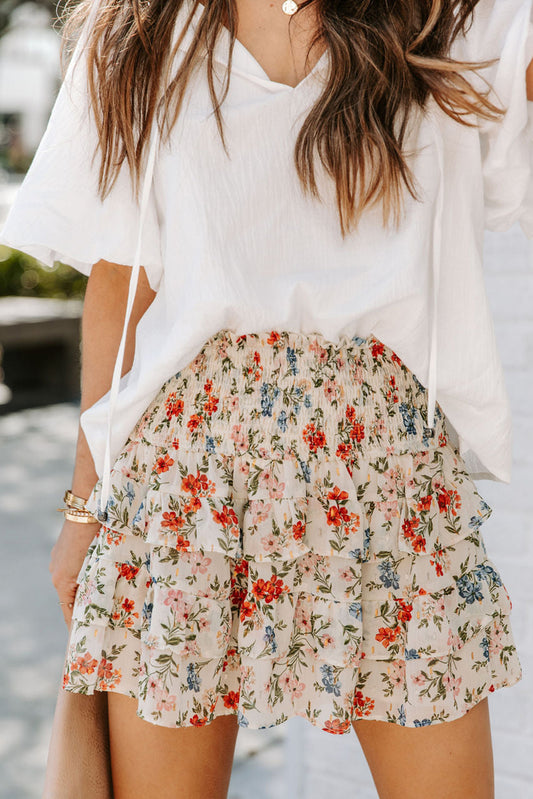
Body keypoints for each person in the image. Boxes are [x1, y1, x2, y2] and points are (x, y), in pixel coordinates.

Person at [1, 0, 531, 796]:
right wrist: (85, 510)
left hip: (383, 474)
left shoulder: (445, 21)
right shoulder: (135, 35)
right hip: (184, 481)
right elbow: (122, 282)